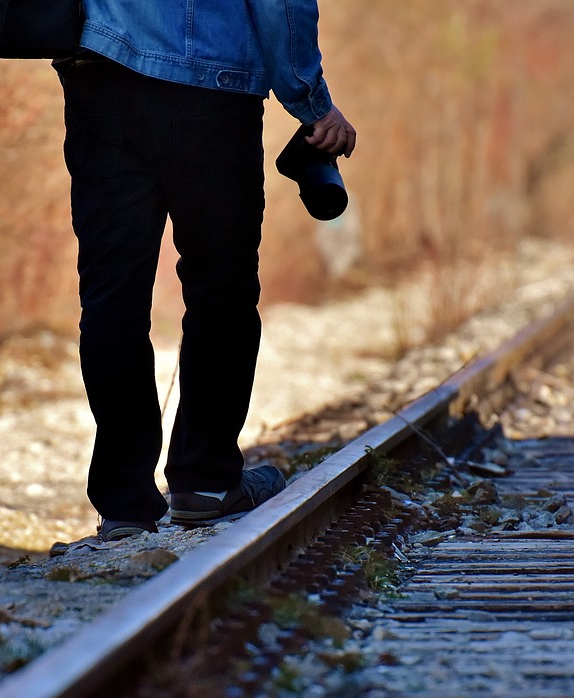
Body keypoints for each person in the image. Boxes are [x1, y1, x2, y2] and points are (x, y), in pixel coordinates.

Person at [56, 0, 356, 543]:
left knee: (111, 296)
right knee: (221, 288)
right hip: (210, 89)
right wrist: (311, 103)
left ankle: (123, 502)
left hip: (96, 78)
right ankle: (206, 482)